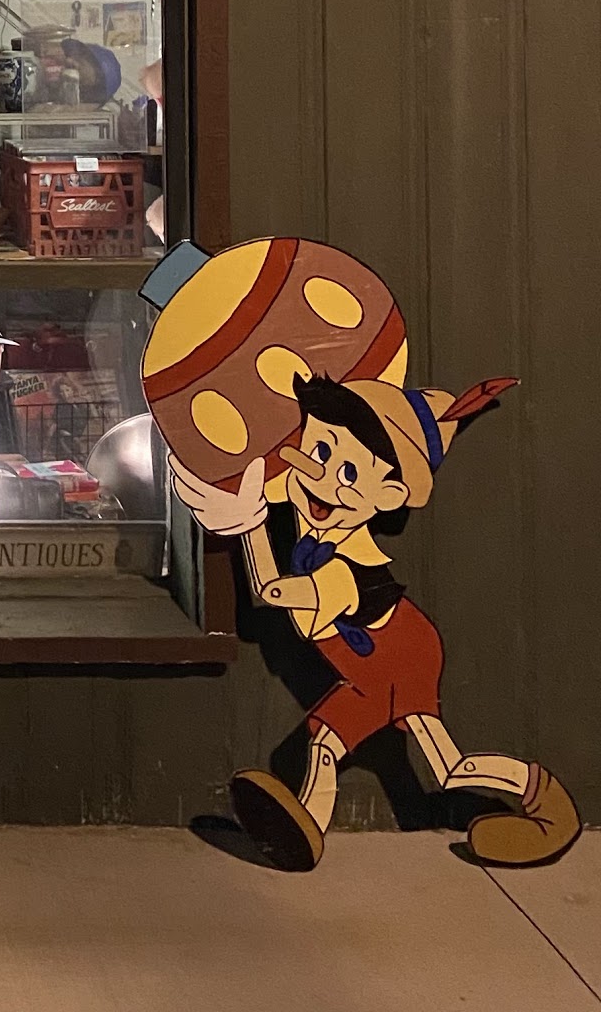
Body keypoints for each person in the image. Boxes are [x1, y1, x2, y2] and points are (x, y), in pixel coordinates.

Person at [174, 373, 579, 871]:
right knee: (325, 745)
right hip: (367, 669)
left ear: (387, 494)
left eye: (347, 471)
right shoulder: (321, 524)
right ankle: (306, 832)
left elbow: (270, 590)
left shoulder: (345, 572)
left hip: (399, 656)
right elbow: (297, 491)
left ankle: (550, 808)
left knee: (448, 768)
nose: (320, 475)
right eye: (319, 450)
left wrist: (250, 525)